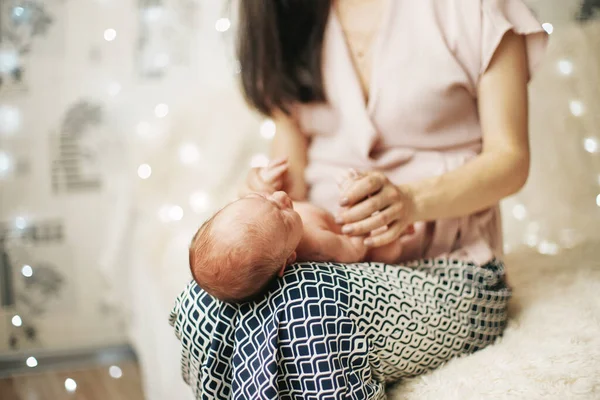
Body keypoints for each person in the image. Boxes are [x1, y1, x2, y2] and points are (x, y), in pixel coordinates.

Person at [170, 0, 548, 398]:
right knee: (204, 307)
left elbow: (511, 160)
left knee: (306, 307)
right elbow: (290, 170)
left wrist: (410, 202)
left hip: (449, 267)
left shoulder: (475, 8)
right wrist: (265, 190)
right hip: (319, 259)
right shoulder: (286, 14)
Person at [189, 165, 408, 303]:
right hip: (375, 252)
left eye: (260, 199)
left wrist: (260, 181)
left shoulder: (265, 223)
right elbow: (356, 249)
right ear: (289, 258)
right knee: (388, 248)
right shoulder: (318, 245)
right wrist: (356, 201)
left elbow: (256, 207)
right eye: (283, 217)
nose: (281, 196)